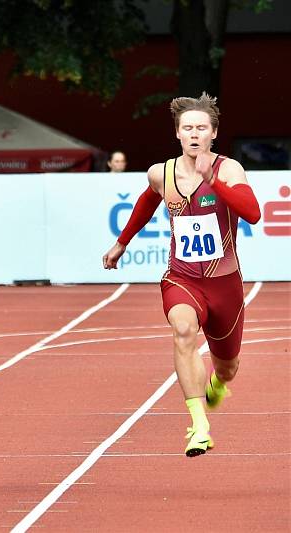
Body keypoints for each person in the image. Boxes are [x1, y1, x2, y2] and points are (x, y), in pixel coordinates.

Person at [102, 93, 261, 457]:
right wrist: (122, 242)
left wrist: (214, 180)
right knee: (184, 330)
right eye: (187, 128)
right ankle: (199, 425)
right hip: (182, 279)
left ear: (213, 133)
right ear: (177, 133)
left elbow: (252, 214)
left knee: (228, 366)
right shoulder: (162, 173)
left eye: (201, 128)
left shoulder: (229, 169)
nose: (194, 134)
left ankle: (218, 384)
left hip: (225, 285)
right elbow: (146, 202)